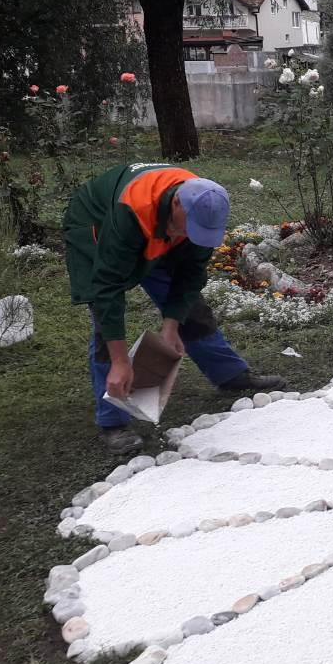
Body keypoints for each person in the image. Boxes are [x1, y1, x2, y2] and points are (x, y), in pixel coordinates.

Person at [64, 162, 284, 454]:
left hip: (156, 226)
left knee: (190, 308)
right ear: (177, 202)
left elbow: (190, 276)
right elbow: (107, 289)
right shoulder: (132, 211)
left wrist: (171, 325)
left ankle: (230, 375)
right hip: (97, 221)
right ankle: (113, 420)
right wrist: (120, 360)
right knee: (106, 321)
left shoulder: (204, 209)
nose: (193, 235)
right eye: (189, 228)